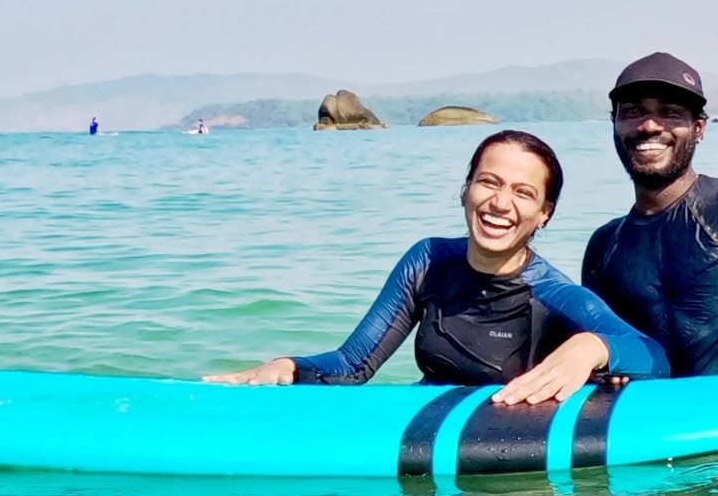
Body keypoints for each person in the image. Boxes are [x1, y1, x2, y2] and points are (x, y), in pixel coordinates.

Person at [205, 130, 668, 403]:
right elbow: (352, 365)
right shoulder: (427, 261)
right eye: (489, 182)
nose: (500, 203)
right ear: (467, 188)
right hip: (424, 430)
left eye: (523, 193)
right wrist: (290, 367)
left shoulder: (553, 293)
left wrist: (592, 347)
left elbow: (655, 357)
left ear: (544, 213)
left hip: (504, 458)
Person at [582, 52, 717, 377]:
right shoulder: (604, 247)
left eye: (670, 112)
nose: (649, 126)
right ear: (613, 124)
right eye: (633, 112)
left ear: (698, 127)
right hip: (651, 422)